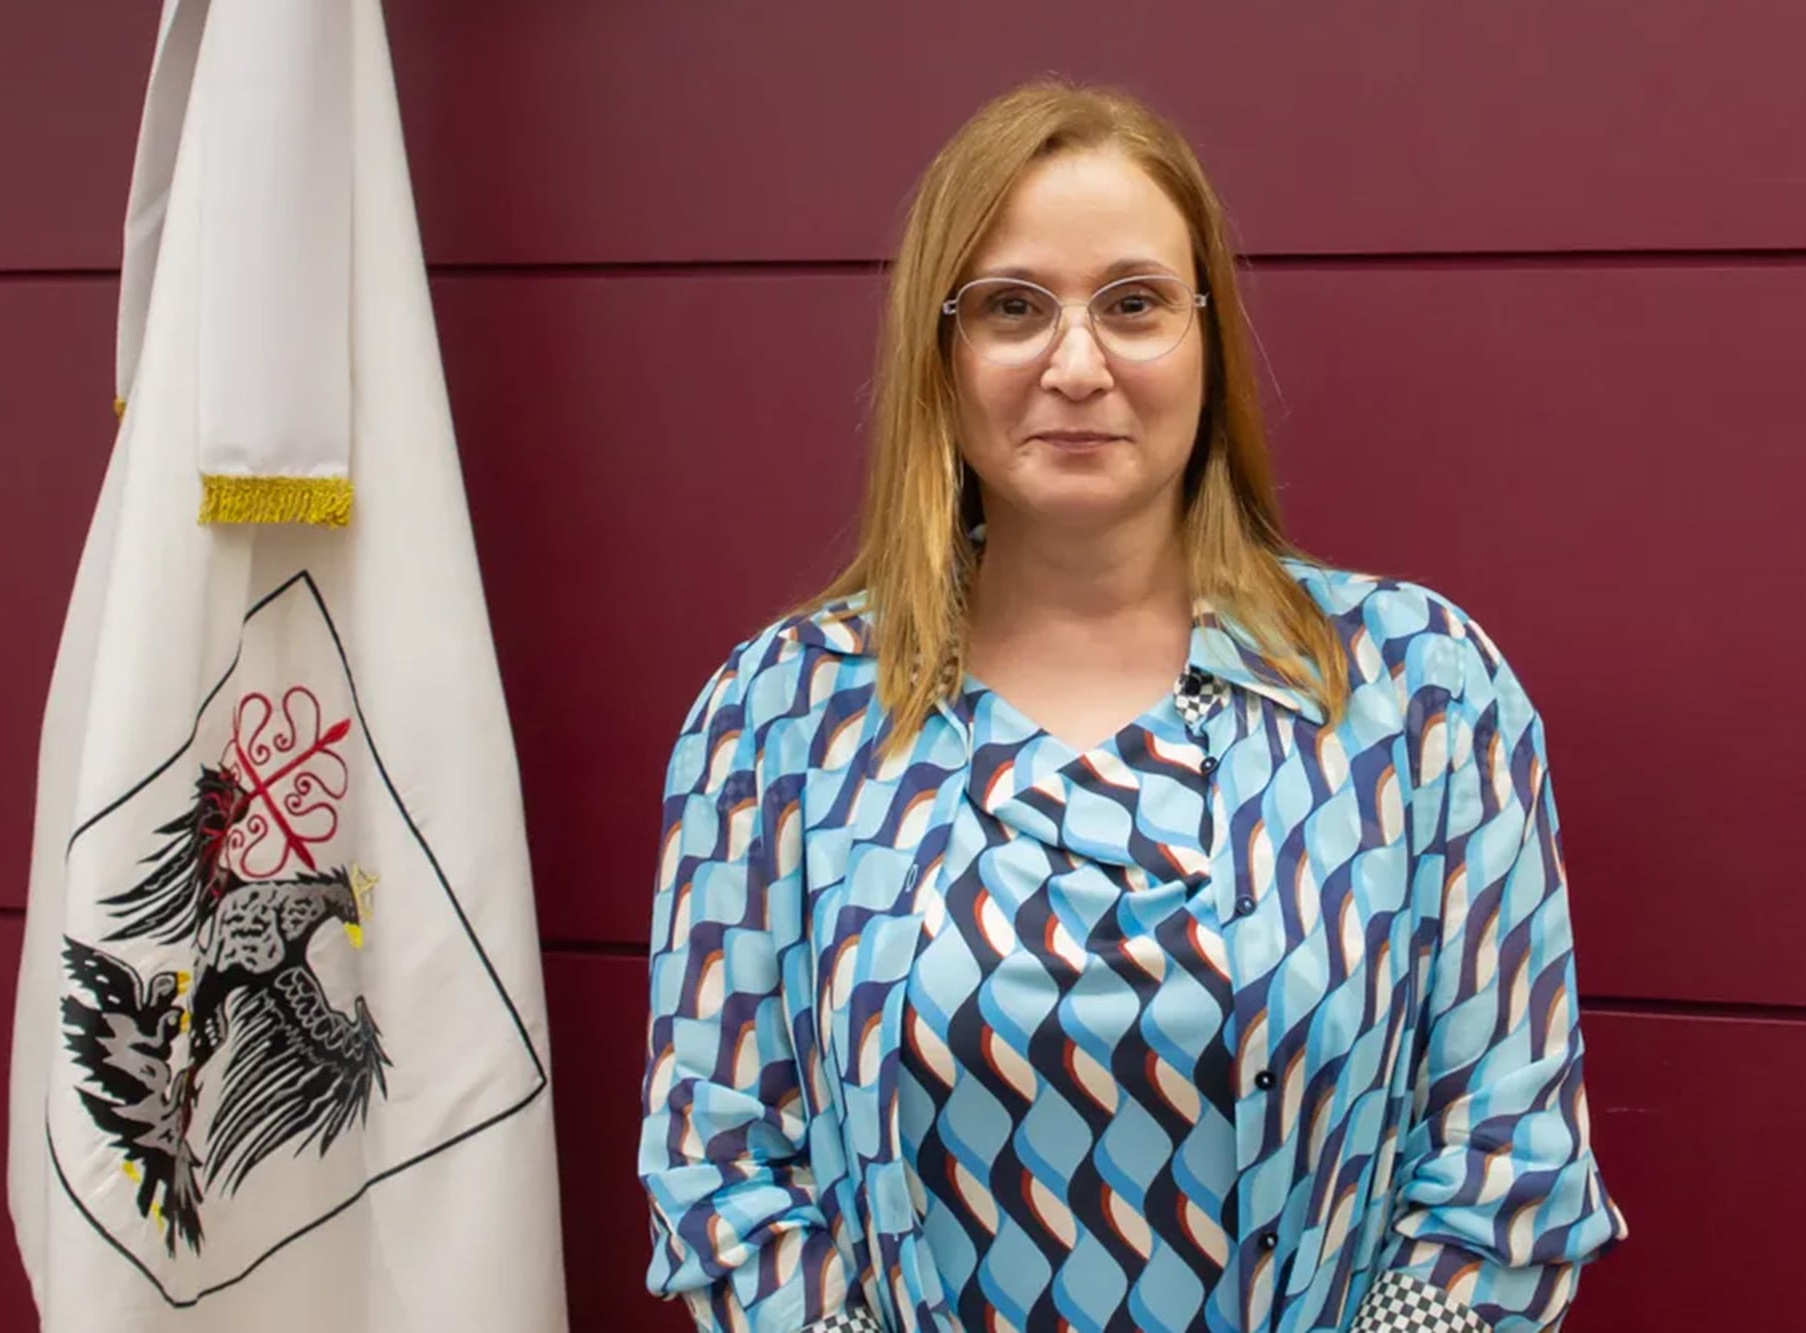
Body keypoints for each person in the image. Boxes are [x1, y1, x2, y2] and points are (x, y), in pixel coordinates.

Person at [638, 81, 1625, 1333]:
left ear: (1205, 341)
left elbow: (1509, 1170)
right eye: (1011, 306)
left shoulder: (1420, 692)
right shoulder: (777, 717)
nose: (1076, 365)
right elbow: (722, 1167)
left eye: (1133, 304)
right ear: (939, 351)